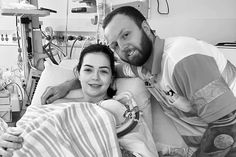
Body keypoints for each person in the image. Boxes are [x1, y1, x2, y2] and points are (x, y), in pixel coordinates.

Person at [41, 6, 236, 157]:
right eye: (115, 44)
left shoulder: (183, 60)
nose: (123, 47)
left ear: (145, 28)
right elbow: (104, 74)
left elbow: (228, 127)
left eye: (126, 35)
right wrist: (66, 85)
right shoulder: (142, 67)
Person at [0, 44, 158, 157]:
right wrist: (7, 142)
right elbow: (28, 131)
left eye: (103, 71)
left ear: (112, 78)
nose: (95, 77)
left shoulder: (117, 109)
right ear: (78, 73)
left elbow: (139, 151)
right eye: (88, 70)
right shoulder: (54, 104)